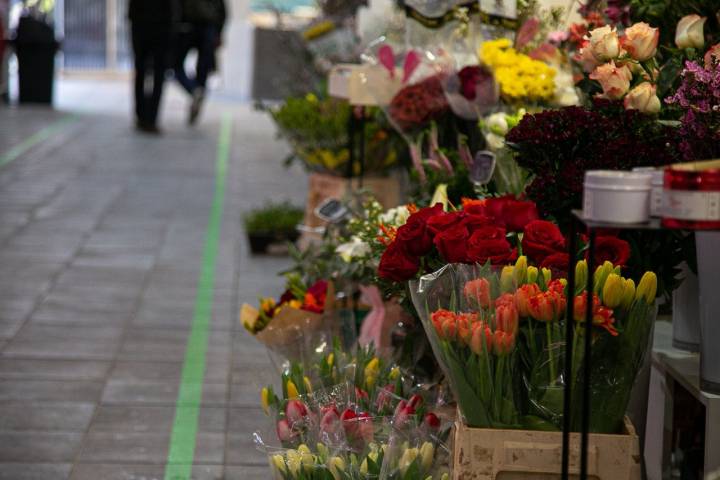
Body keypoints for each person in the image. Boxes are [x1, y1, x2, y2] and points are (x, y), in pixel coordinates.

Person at [174, 0, 226, 125]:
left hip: (195, 27)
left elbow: (222, 10)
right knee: (196, 70)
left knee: (195, 69)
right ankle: (195, 92)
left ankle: (195, 94)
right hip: (198, 28)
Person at [128, 0, 176, 134]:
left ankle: (148, 118)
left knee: (152, 74)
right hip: (149, 25)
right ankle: (145, 117)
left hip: (154, 25)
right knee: (146, 73)